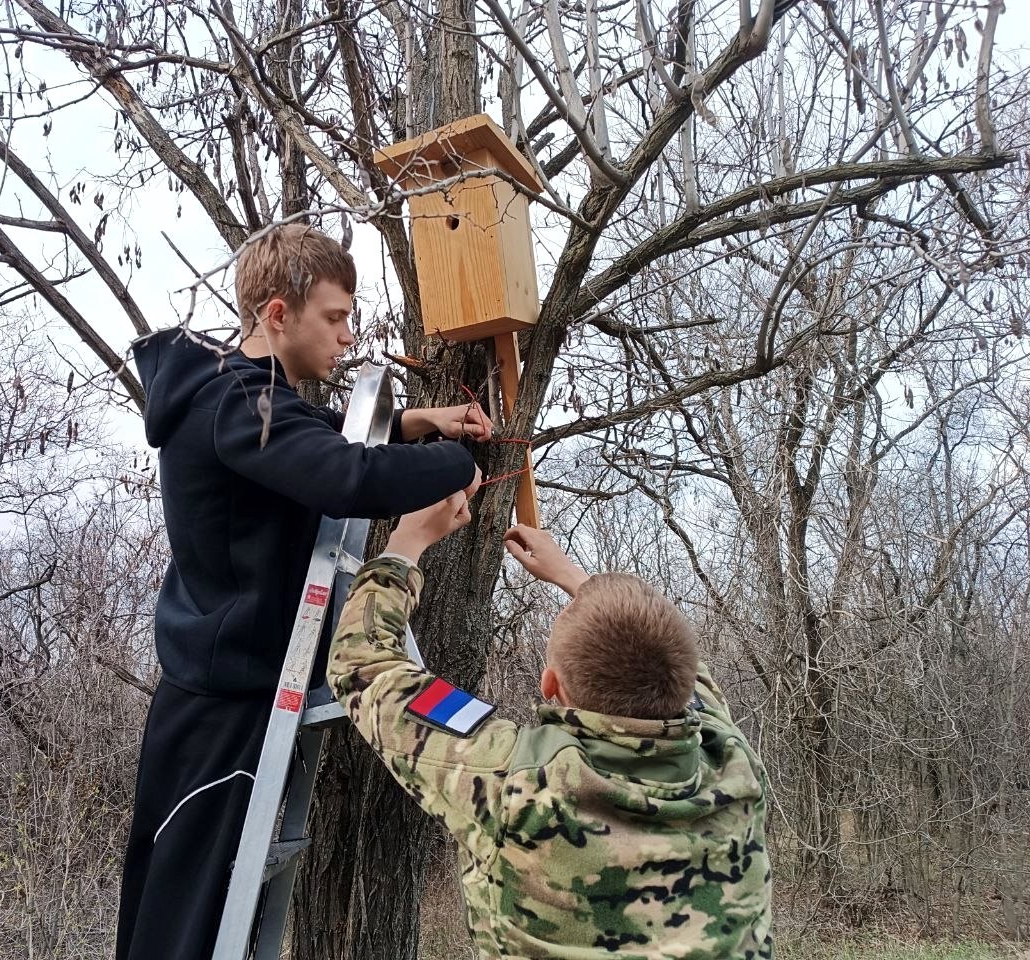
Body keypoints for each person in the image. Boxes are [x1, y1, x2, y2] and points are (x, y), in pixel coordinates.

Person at [116, 223, 493, 959]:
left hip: (222, 684)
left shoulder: (247, 395)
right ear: (277, 314)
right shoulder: (237, 406)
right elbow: (343, 475)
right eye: (336, 317)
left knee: (190, 894)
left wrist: (416, 422)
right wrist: (452, 463)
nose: (349, 337)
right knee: (187, 910)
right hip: (220, 706)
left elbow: (315, 436)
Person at [327, 492, 774, 959]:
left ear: (551, 685)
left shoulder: (512, 783)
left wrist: (406, 543)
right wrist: (574, 580)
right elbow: (684, 674)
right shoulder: (732, 758)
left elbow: (364, 664)